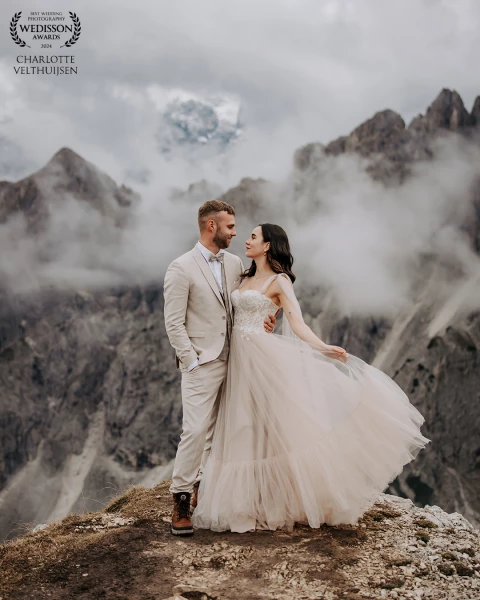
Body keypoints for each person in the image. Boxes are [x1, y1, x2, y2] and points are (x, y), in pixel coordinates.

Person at [191, 223, 430, 533]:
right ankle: (247, 500)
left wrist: (323, 348)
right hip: (236, 358)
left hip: (260, 359)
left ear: (267, 246)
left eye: (253, 236)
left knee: (267, 429)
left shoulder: (279, 282)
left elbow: (298, 323)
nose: (246, 240)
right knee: (240, 426)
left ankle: (275, 501)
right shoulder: (243, 276)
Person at [163, 201, 277, 535]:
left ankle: (205, 488)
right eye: (230, 227)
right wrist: (192, 361)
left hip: (239, 358)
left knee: (222, 432)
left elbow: (246, 303)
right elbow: (173, 322)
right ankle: (181, 499)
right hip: (202, 362)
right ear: (211, 226)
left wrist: (267, 320)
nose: (235, 232)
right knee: (195, 430)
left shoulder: (234, 263)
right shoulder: (180, 268)